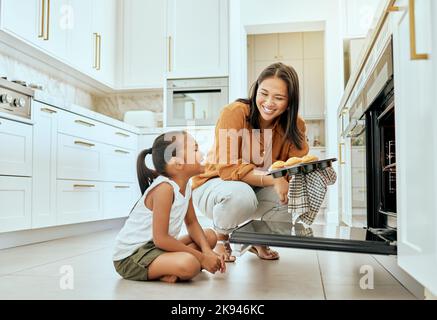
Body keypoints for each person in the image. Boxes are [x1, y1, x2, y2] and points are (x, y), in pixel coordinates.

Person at [192, 62, 309, 262]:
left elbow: (297, 167)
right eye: (263, 93)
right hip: (214, 186)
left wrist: (289, 177)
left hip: (254, 189)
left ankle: (258, 238)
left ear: (289, 102)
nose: (268, 102)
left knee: (295, 196)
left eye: (278, 98)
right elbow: (228, 169)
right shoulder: (235, 113)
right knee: (241, 196)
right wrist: (275, 178)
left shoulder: (296, 125)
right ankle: (221, 238)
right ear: (256, 89)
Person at [113, 131, 226, 283]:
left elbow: (192, 223)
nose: (202, 153)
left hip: (156, 248)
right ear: (178, 163)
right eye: (195, 150)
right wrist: (202, 258)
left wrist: (207, 251)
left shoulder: (186, 185)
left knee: (210, 237)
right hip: (132, 257)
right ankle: (169, 268)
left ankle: (168, 268)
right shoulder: (164, 189)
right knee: (190, 264)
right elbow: (161, 239)